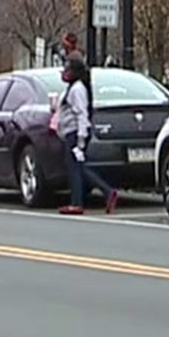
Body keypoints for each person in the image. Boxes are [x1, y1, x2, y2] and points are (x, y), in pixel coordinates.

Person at [56, 55, 119, 216]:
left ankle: (78, 202)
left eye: (67, 69)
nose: (64, 72)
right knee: (78, 168)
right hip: (70, 132)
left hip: (75, 133)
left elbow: (81, 114)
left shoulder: (78, 89)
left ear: (75, 72)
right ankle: (107, 192)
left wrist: (81, 139)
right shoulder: (72, 88)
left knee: (75, 168)